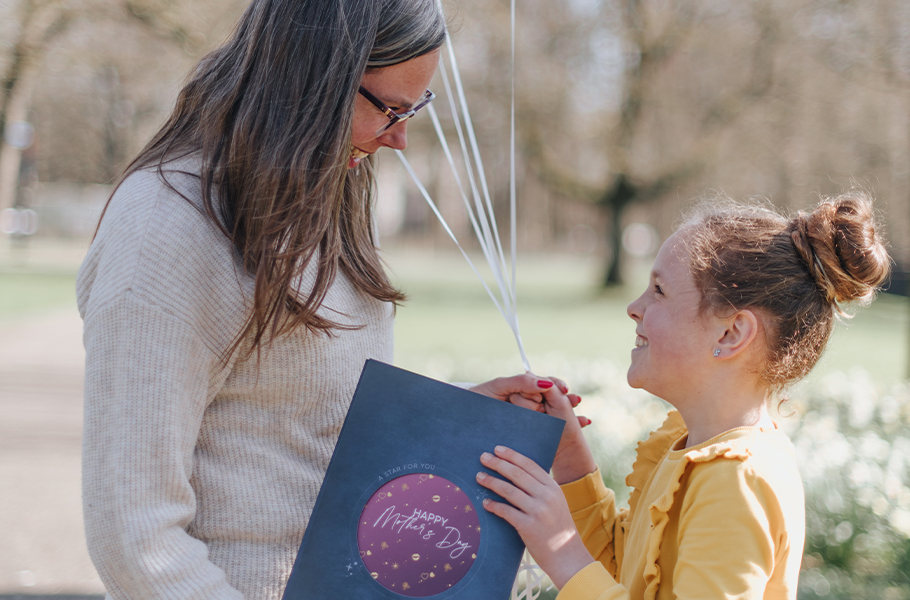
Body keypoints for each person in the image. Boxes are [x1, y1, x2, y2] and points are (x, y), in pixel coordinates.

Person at [77, 1, 555, 597]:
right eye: (391, 110)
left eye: (417, 108)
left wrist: (449, 418)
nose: (401, 138)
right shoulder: (166, 231)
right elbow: (134, 535)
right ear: (312, 78)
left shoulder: (321, 198)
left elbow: (297, 422)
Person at [476, 193, 891, 599]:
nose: (634, 307)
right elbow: (624, 573)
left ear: (731, 333)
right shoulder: (694, 446)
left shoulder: (737, 482)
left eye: (658, 290)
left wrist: (564, 554)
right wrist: (569, 457)